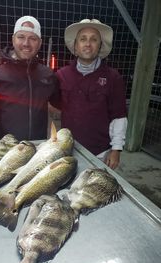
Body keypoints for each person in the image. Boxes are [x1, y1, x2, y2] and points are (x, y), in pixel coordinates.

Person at [55, 19, 128, 169]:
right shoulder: (61, 75)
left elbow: (119, 116)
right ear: (75, 46)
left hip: (101, 152)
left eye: (94, 39)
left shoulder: (113, 78)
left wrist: (116, 149)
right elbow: (54, 105)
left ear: (100, 46)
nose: (88, 44)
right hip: (69, 150)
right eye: (83, 39)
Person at [0, 16, 59, 143]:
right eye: (21, 37)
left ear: (40, 43)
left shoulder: (47, 74)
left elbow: (61, 102)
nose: (26, 43)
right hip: (10, 151)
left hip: (38, 148)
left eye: (32, 38)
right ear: (13, 39)